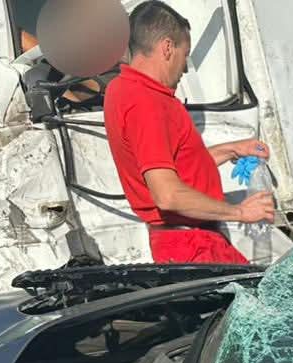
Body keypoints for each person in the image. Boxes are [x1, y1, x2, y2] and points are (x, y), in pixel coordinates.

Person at [104, 1, 273, 265]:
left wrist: (230, 149)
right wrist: (240, 211)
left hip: (188, 244)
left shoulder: (125, 90)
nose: (184, 69)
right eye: (185, 56)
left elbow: (173, 165)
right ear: (167, 48)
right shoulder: (145, 101)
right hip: (192, 247)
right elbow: (168, 195)